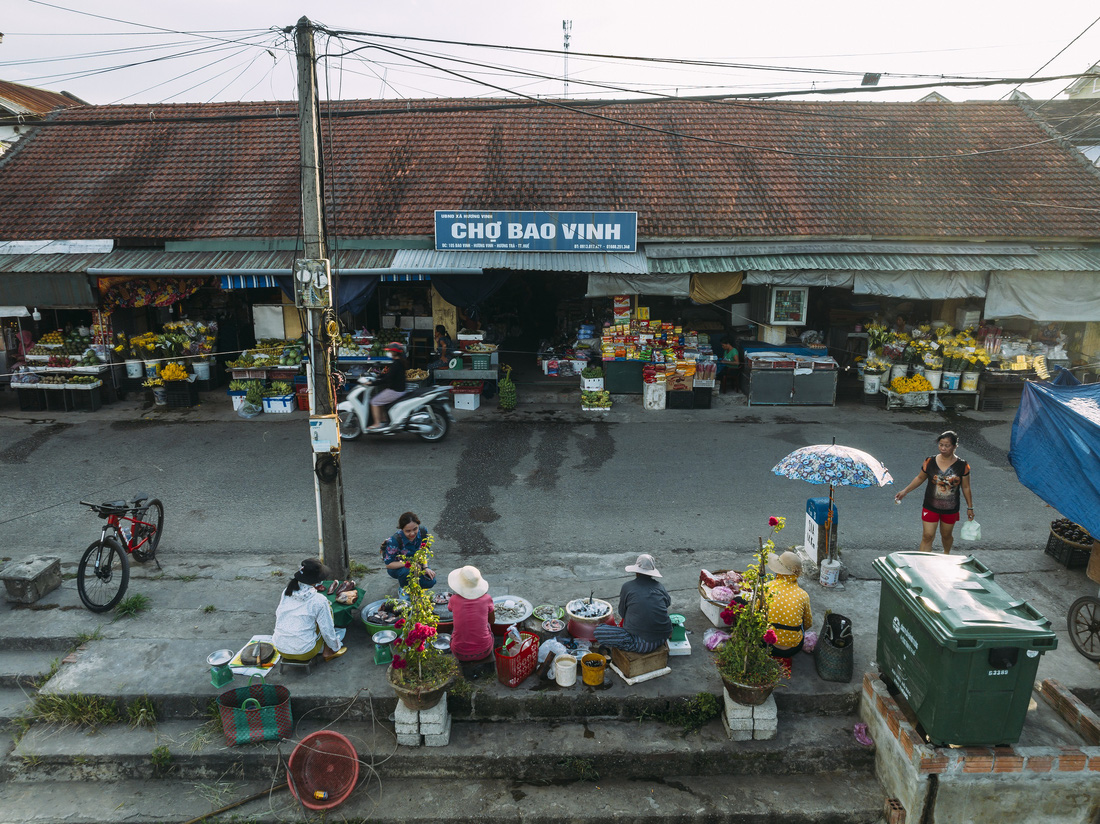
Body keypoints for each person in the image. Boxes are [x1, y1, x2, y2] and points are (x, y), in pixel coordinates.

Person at [894, 430, 974, 554]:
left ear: (954, 446)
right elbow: (920, 478)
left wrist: (970, 507)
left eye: (947, 445)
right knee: (927, 535)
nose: (943, 448)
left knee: (946, 535)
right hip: (930, 506)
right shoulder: (929, 462)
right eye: (941, 445)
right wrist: (905, 491)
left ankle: (946, 554)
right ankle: (923, 562)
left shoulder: (962, 466)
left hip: (951, 508)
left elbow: (966, 487)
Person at [593, 553, 672, 654]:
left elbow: (622, 613)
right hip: (663, 637)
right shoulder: (659, 586)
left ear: (637, 572)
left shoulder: (628, 586)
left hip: (643, 644)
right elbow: (667, 603)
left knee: (599, 631)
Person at [272, 558, 347, 662]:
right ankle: (328, 651)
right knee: (327, 611)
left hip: (280, 648)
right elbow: (327, 630)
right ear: (316, 580)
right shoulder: (319, 600)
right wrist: (336, 646)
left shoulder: (287, 591)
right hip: (305, 652)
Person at [764, 551, 812, 672]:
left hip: (767, 644)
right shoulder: (803, 595)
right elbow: (808, 624)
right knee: (800, 621)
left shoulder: (767, 587)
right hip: (793, 648)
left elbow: (755, 613)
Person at [447, 565, 495, 663]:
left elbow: (450, 609)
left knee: (454, 630)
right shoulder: (487, 599)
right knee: (489, 629)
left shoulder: (453, 599)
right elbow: (492, 621)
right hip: (484, 651)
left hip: (459, 653)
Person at [380, 511, 437, 590]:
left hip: (417, 564)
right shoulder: (395, 540)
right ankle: (404, 589)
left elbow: (424, 550)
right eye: (408, 531)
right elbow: (389, 564)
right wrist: (409, 564)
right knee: (407, 572)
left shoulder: (423, 532)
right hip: (398, 567)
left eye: (415, 529)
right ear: (402, 529)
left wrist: (426, 567)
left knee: (430, 581)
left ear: (418, 525)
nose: (412, 533)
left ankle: (415, 589)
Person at [368, 342, 408, 430]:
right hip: (398, 389)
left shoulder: (396, 364)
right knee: (380, 399)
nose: (389, 352)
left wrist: (372, 383)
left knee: (374, 401)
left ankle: (377, 423)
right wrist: (379, 376)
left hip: (395, 391)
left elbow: (387, 378)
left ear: (394, 352)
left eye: (390, 351)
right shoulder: (398, 362)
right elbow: (388, 375)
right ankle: (384, 419)